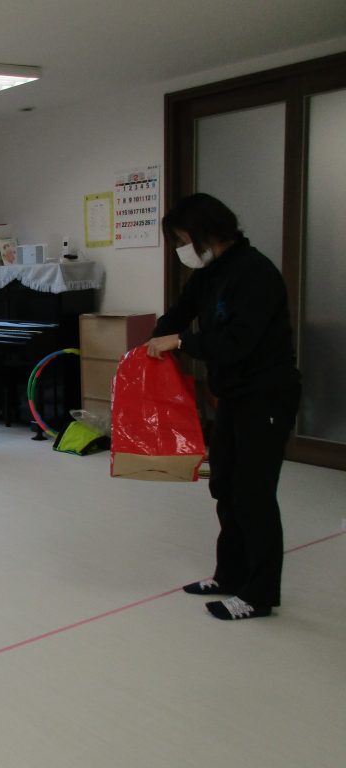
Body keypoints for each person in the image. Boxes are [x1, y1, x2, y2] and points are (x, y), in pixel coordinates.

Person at [146, 192, 300, 621]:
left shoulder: (255, 273)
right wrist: (154, 342)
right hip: (233, 395)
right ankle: (230, 574)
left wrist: (179, 342)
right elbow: (179, 313)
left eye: (183, 240)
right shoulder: (210, 273)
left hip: (266, 396)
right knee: (226, 487)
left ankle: (259, 594)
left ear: (208, 232)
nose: (182, 249)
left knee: (254, 494)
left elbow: (236, 343)